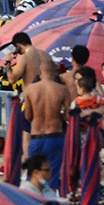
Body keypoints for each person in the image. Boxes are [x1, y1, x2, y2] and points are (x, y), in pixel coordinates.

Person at [21, 63, 72, 193]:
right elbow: (68, 116)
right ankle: (51, 203)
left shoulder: (30, 89)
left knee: (32, 173)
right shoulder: (62, 90)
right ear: (55, 73)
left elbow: (28, 115)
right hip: (54, 135)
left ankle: (30, 203)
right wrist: (57, 115)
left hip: (36, 135)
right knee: (52, 175)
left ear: (40, 72)